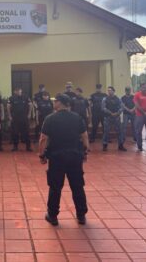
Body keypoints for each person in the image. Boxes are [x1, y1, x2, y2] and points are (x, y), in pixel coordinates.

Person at [38, 94, 89, 226]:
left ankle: (52, 215)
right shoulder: (77, 118)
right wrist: (85, 151)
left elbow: (43, 138)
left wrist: (42, 154)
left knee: (55, 187)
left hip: (56, 157)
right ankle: (81, 215)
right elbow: (84, 136)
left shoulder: (50, 118)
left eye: (55, 101)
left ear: (61, 103)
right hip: (74, 156)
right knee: (77, 186)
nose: (53, 103)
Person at [101, 87, 126, 151]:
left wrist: (117, 113)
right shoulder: (105, 99)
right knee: (106, 132)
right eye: (108, 90)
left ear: (114, 91)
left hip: (116, 117)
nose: (109, 92)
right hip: (107, 117)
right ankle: (105, 145)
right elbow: (103, 108)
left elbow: (122, 107)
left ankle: (120, 145)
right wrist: (110, 113)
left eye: (110, 90)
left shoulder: (118, 99)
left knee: (119, 132)